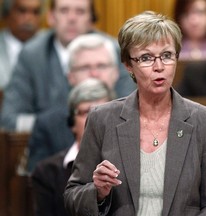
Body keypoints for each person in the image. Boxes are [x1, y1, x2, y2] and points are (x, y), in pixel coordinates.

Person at [64, 11, 206, 215]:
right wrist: (98, 192)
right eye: (146, 58)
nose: (159, 67)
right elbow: (72, 196)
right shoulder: (102, 119)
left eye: (166, 55)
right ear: (129, 65)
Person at [0, 0, 135, 132]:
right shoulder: (32, 55)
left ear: (91, 19)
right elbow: (9, 119)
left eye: (80, 11)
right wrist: (53, 126)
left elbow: (129, 113)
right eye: (64, 10)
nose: (71, 18)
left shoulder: (111, 51)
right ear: (51, 17)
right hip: (49, 147)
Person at [27, 33, 120, 172]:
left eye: (101, 66)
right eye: (85, 67)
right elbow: (37, 181)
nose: (94, 74)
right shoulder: (47, 125)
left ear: (116, 73)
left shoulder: (135, 116)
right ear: (70, 77)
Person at [31, 78, 113, 216]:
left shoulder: (127, 161)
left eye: (101, 111)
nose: (94, 119)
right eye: (87, 112)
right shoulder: (47, 172)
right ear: (71, 122)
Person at [0, 0, 42, 89]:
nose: (29, 19)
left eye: (35, 12)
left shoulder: (50, 46)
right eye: (22, 11)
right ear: (6, 14)